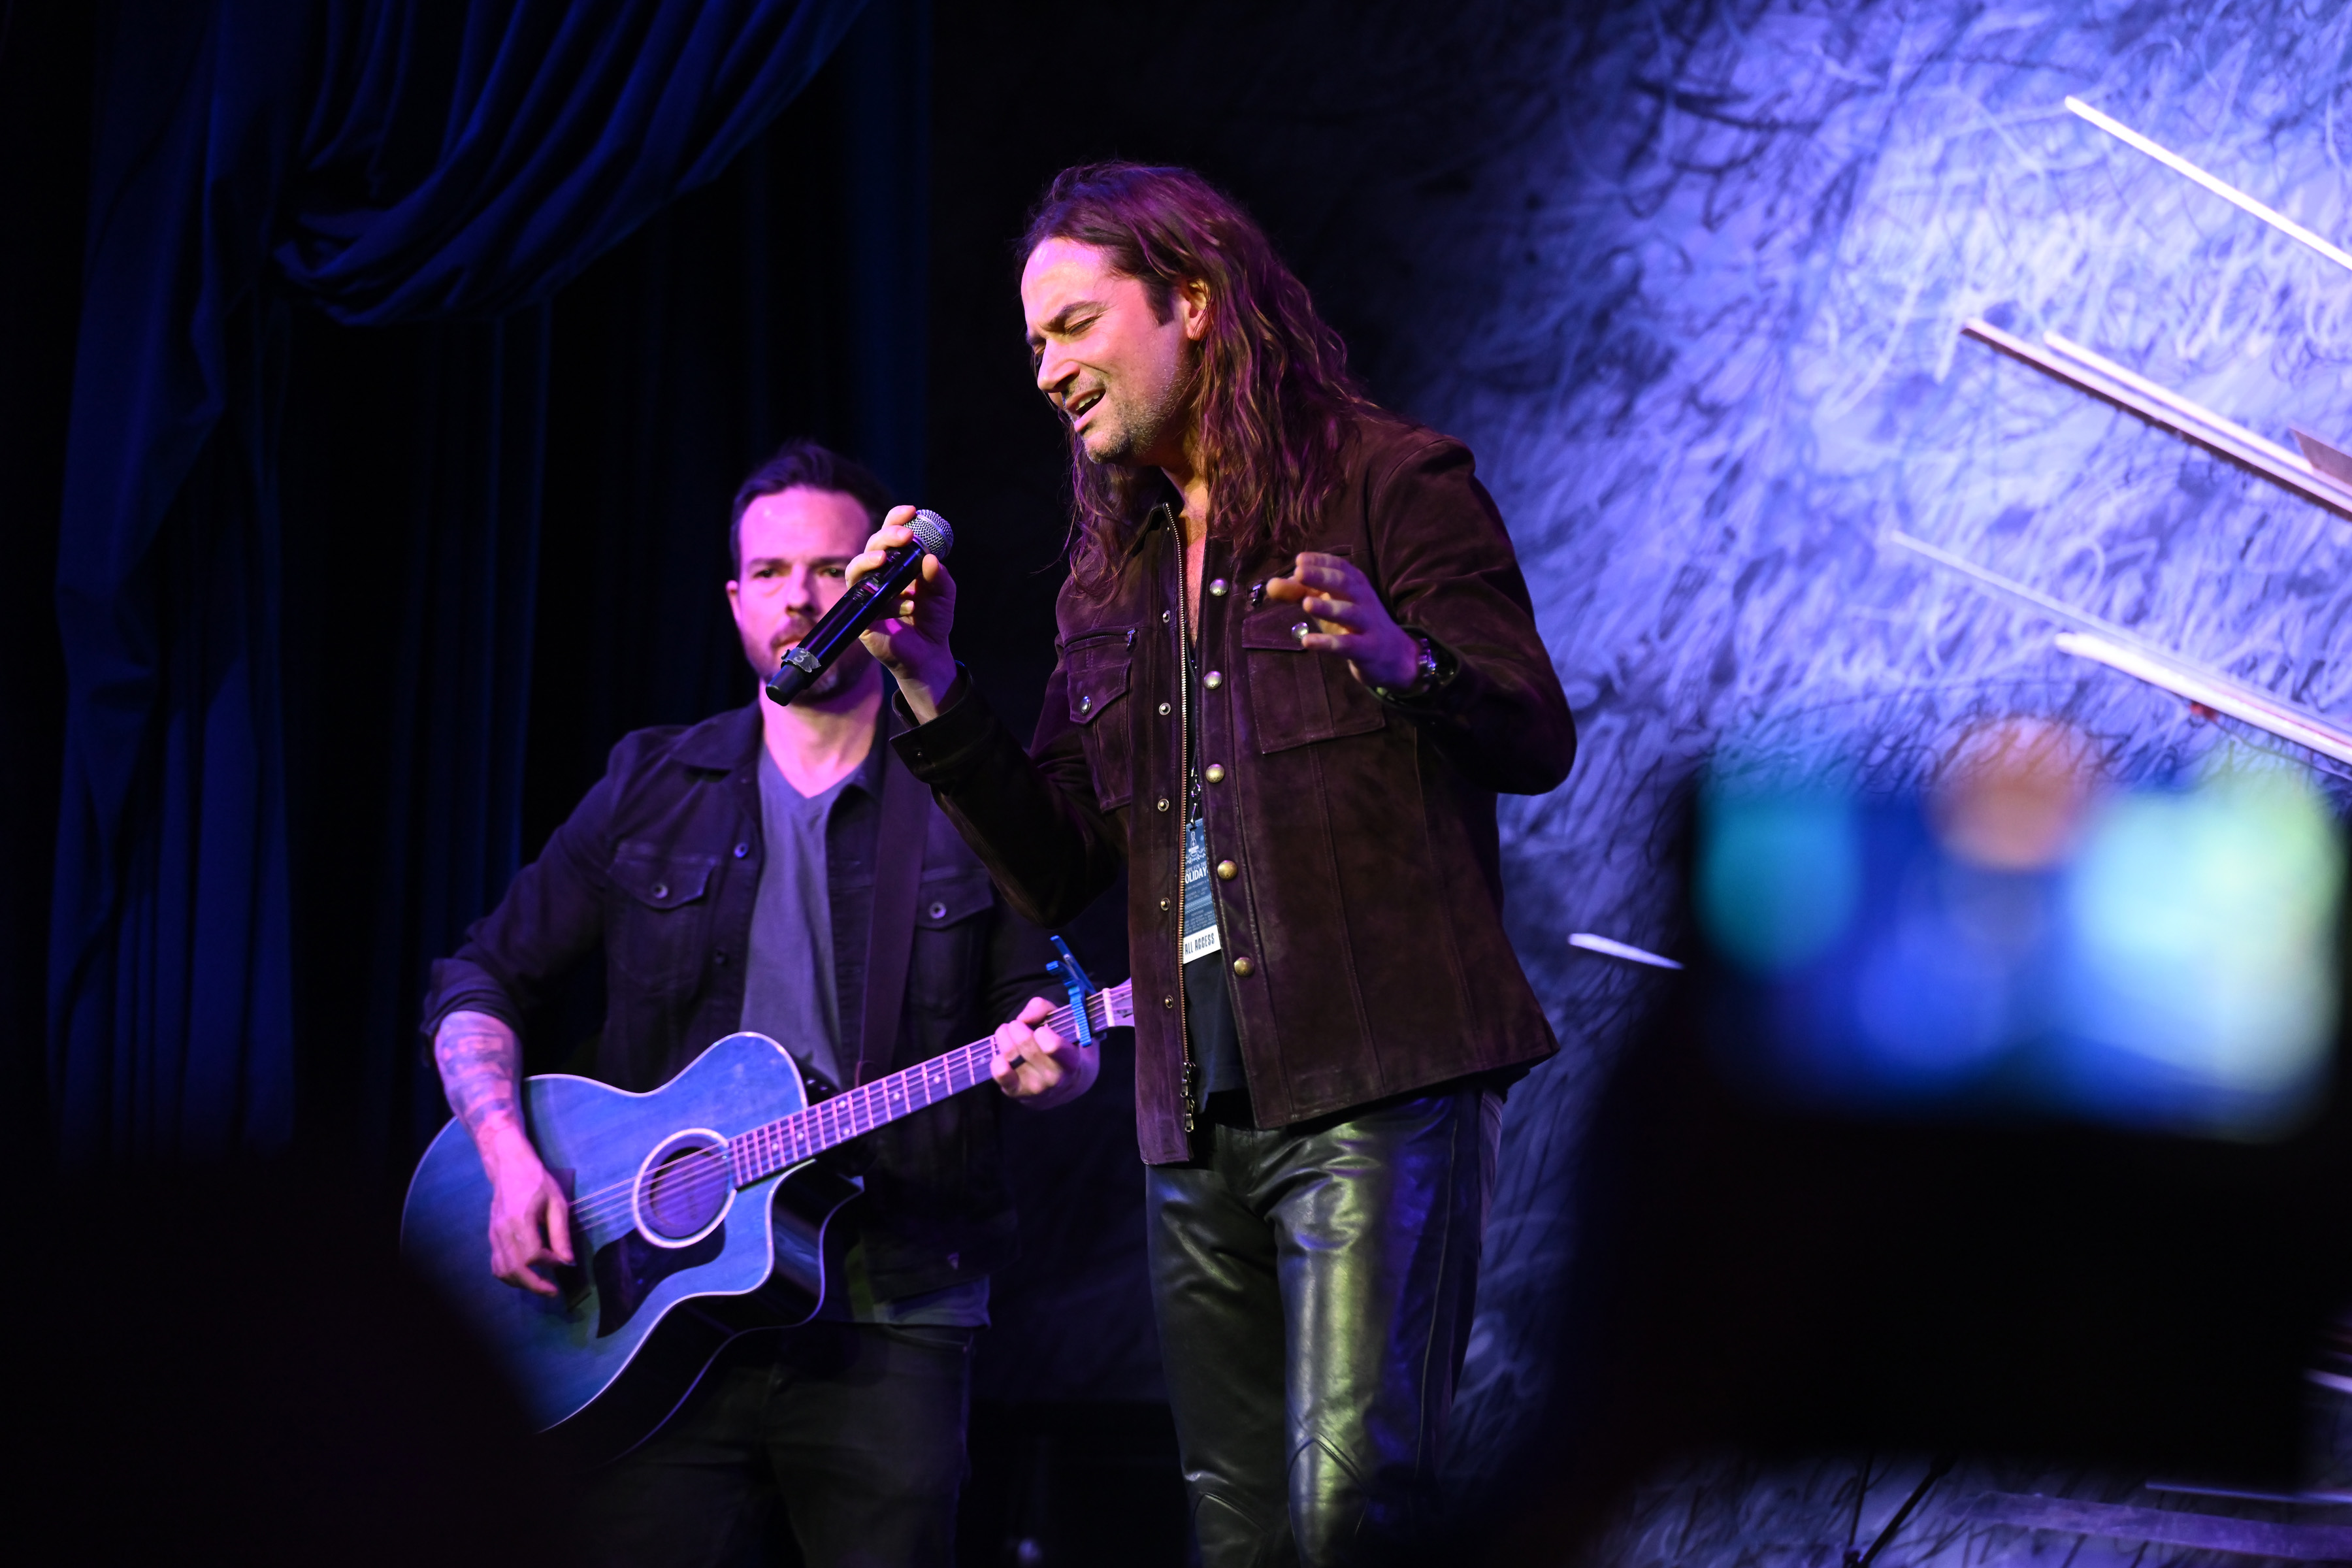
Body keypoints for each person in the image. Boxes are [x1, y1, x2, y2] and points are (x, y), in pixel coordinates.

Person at [855, 164, 1576, 1564]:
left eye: (1074, 326)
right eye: (1035, 347)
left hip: (1377, 1088)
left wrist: (1403, 662)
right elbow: (1065, 862)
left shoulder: (1390, 484)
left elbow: (1536, 734)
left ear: (1191, 301)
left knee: (1349, 1517)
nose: (1052, 370)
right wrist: (936, 686)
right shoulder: (1106, 576)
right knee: (1236, 1535)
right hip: (1193, 1116)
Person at [421, 439, 1094, 1568]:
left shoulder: (971, 795)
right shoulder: (652, 784)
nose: (801, 598)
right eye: (772, 573)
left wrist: (1057, 1063)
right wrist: (506, 1153)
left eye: (833, 569)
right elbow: (479, 979)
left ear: (883, 589)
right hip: (648, 1308)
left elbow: (1047, 1025)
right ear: (735, 600)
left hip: (896, 1304)